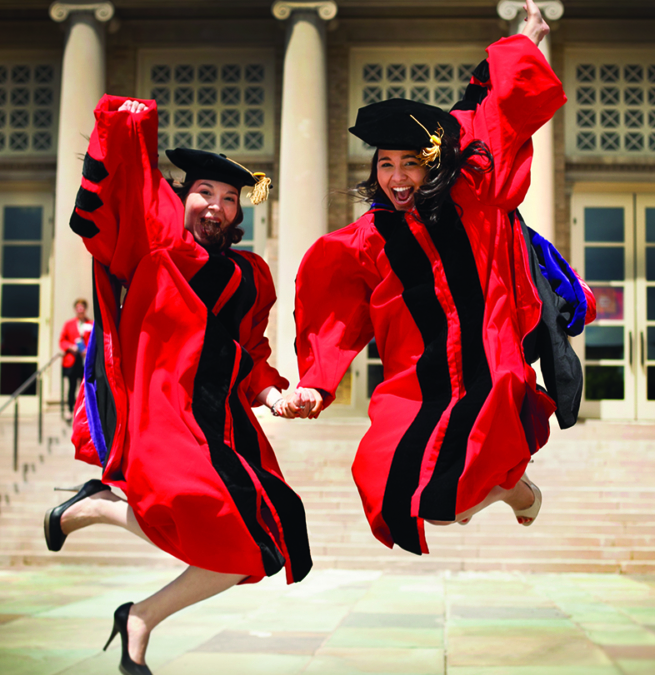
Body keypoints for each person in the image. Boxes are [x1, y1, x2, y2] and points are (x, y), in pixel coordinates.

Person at [290, 1, 585, 554]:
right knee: (385, 485)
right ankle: (513, 490)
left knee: (448, 499)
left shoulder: (471, 198)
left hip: (487, 369)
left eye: (410, 162)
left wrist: (525, 42)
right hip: (415, 383)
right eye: (385, 164)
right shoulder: (368, 237)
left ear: (432, 165)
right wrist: (315, 381)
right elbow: (334, 309)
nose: (397, 176)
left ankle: (513, 490)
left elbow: (492, 116)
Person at [45, 95, 310, 674]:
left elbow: (251, 353)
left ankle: (139, 618)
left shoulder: (251, 275)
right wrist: (127, 123)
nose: (217, 207)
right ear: (183, 198)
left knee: (256, 547)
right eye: (205, 194)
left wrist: (273, 395)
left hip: (225, 426)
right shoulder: (156, 249)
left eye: (230, 198)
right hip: (164, 414)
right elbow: (119, 199)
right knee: (195, 508)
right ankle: (100, 508)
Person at [58, 299, 93, 416]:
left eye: (82, 307)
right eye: (78, 307)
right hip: (73, 361)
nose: (80, 310)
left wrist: (88, 350)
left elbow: (94, 341)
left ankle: (83, 411)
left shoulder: (91, 324)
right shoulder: (69, 324)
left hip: (85, 360)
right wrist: (71, 347)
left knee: (84, 387)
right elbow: (62, 341)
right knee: (72, 386)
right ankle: (70, 409)